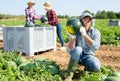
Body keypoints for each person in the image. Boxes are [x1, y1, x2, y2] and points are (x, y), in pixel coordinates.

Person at [65, 12, 101, 81]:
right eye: (84, 20)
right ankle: (69, 75)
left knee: (96, 66)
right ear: (81, 21)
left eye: (88, 21)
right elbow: (70, 50)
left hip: (89, 56)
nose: (86, 23)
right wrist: (72, 38)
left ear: (91, 22)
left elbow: (95, 47)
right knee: (78, 49)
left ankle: (87, 68)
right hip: (77, 57)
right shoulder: (76, 31)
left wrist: (85, 35)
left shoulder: (95, 32)